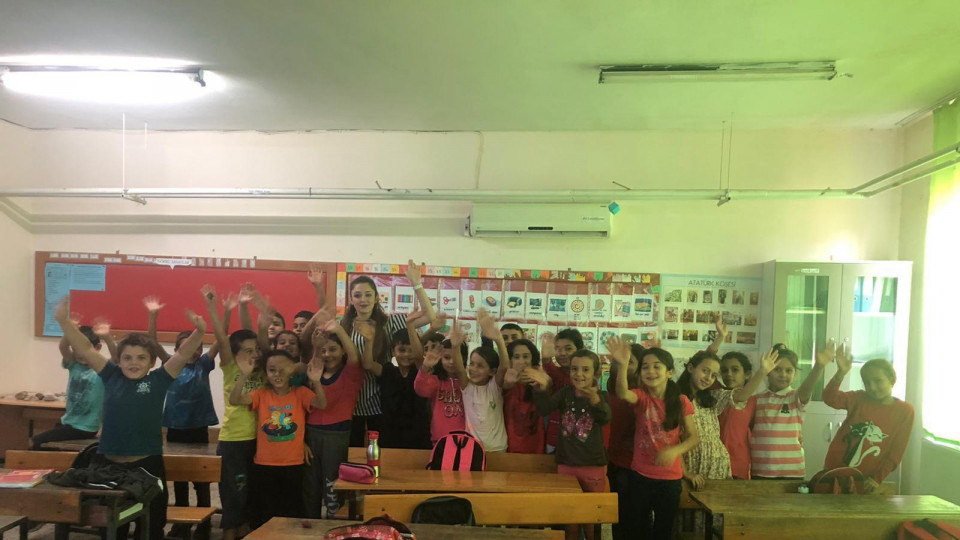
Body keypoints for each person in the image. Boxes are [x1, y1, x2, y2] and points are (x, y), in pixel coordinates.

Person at [54, 296, 206, 540]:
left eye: (141, 358)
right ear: (119, 359)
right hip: (108, 467)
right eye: (127, 357)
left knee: (151, 526)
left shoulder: (159, 379)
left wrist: (200, 331)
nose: (133, 363)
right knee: (112, 528)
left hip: (147, 466)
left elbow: (183, 354)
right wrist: (64, 322)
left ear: (152, 362)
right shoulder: (111, 374)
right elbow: (85, 348)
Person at [608, 337, 699, 540]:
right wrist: (622, 365)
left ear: (670, 372)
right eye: (645, 367)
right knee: (638, 529)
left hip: (670, 479)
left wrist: (674, 450)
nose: (650, 371)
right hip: (640, 476)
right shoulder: (642, 397)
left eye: (657, 366)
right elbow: (622, 393)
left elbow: (693, 438)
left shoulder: (681, 401)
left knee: (663, 530)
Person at [341, 260, 436, 447]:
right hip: (351, 400)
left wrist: (416, 283)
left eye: (368, 294)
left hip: (381, 399)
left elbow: (429, 316)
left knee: (380, 453)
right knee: (353, 453)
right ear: (351, 299)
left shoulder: (389, 322)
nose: (363, 299)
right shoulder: (343, 326)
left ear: (376, 298)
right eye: (357, 295)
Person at [229, 349, 325, 529]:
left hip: (293, 464)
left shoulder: (301, 393)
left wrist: (316, 381)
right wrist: (243, 375)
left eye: (282, 369)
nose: (277, 374)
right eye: (272, 370)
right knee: (265, 513)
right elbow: (234, 400)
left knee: (290, 512)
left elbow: (322, 403)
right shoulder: (261, 394)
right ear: (266, 373)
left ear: (292, 371)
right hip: (264, 464)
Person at [529, 350, 610, 540]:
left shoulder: (601, 395)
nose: (579, 374)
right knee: (569, 516)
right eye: (574, 369)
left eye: (585, 369)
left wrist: (595, 400)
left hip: (592, 466)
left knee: (592, 519)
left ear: (596, 374)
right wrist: (540, 389)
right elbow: (544, 408)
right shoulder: (565, 393)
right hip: (566, 464)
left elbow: (605, 417)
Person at [204, 286, 263, 540]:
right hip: (233, 442)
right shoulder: (230, 367)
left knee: (250, 495)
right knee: (234, 493)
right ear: (234, 354)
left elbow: (251, 332)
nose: (254, 354)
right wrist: (213, 307)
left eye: (256, 350)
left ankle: (243, 531)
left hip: (257, 441)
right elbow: (221, 336)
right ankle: (229, 533)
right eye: (247, 351)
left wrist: (244, 306)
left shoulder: (261, 370)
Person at [821, 343, 914, 493]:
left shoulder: (905, 411)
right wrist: (841, 373)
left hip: (866, 479)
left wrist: (877, 478)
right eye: (867, 383)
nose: (872, 387)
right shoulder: (859, 398)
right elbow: (829, 398)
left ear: (892, 380)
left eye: (878, 381)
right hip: (835, 470)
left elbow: (896, 451)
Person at [678, 349, 776, 489]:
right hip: (690, 465)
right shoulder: (675, 398)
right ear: (690, 368)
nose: (708, 378)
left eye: (714, 375)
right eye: (705, 371)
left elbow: (741, 396)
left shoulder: (712, 397)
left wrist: (762, 371)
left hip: (718, 466)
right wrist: (685, 472)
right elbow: (672, 439)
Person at [304, 311, 364, 519]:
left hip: (336, 436)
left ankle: (333, 523)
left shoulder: (351, 373)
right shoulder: (315, 373)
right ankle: (310, 524)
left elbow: (354, 356)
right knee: (311, 484)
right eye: (323, 351)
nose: (327, 354)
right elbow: (314, 366)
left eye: (332, 349)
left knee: (332, 482)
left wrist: (338, 329)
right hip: (311, 434)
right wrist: (316, 348)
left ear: (342, 351)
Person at [750, 343, 825, 479]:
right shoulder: (756, 399)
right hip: (761, 470)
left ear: (795, 373)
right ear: (768, 371)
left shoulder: (795, 397)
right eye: (777, 369)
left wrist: (818, 366)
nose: (783, 375)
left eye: (789, 370)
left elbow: (807, 387)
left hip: (791, 470)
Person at [30, 321, 104, 449]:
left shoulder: (101, 369)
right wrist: (70, 328)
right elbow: (63, 347)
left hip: (85, 427)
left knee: (35, 442)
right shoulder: (74, 365)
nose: (79, 354)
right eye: (75, 349)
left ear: (97, 348)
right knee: (51, 443)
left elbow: (115, 360)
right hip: (68, 422)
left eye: (84, 349)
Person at [366, 317, 432, 449]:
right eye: (402, 350)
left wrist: (411, 326)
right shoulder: (387, 370)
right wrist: (369, 340)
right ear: (393, 351)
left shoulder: (420, 371)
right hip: (390, 434)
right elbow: (368, 364)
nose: (407, 355)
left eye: (411, 350)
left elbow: (419, 357)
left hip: (418, 434)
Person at [460, 311, 509, 452]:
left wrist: (499, 340)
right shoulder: (467, 387)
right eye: (472, 364)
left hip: (498, 449)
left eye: (480, 366)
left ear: (492, 371)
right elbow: (458, 368)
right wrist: (456, 346)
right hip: (471, 449)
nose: (473, 369)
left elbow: (504, 366)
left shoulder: (494, 387)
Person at [415, 333, 469, 444]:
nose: (451, 362)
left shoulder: (467, 382)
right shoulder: (436, 381)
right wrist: (425, 367)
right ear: (440, 358)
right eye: (447, 357)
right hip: (439, 439)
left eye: (456, 357)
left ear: (463, 358)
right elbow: (420, 389)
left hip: (465, 439)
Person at [717, 351, 758, 479]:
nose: (729, 374)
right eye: (724, 370)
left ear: (747, 374)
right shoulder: (717, 395)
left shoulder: (754, 401)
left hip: (738, 462)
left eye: (735, 370)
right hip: (715, 461)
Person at [503, 338, 545, 453]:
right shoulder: (505, 381)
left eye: (526, 356)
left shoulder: (540, 380)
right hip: (509, 446)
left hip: (535, 445)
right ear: (510, 360)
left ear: (532, 358)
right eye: (516, 357)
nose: (522, 361)